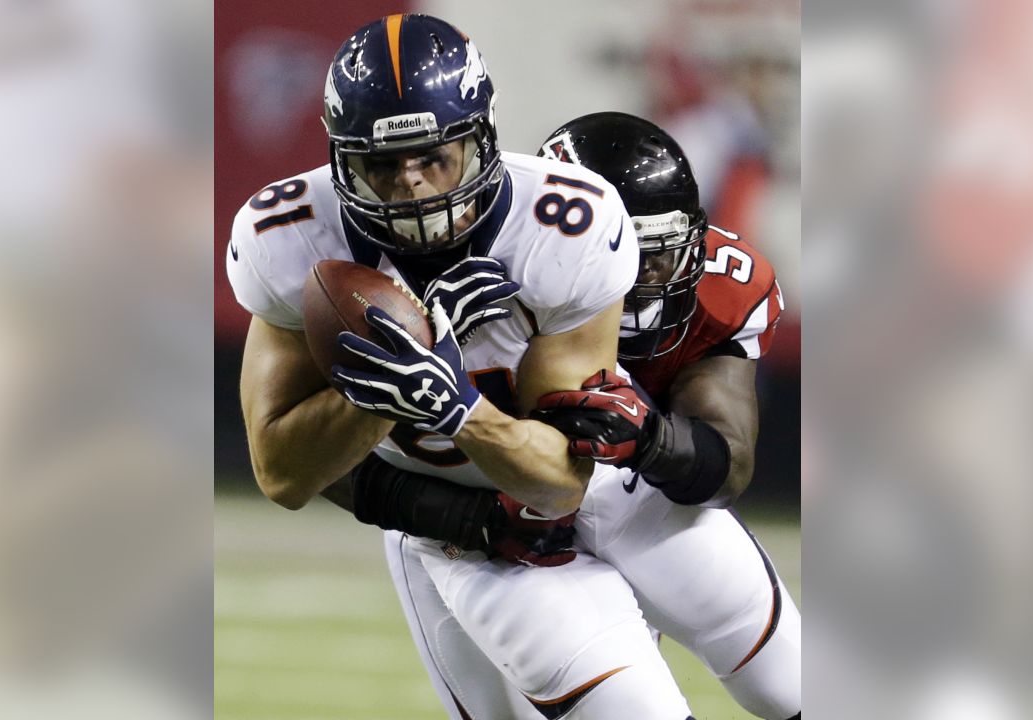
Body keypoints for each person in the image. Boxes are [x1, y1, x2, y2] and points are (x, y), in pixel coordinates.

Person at [226, 14, 697, 720]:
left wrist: (452, 401)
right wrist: (392, 382)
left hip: (597, 500)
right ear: (340, 161)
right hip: (439, 538)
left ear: (483, 139)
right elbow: (282, 473)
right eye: (383, 165)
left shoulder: (562, 227)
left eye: (434, 157)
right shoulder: (288, 236)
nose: (412, 187)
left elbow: (563, 483)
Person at [343, 113, 802, 719]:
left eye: (654, 256)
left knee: (790, 680)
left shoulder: (717, 288)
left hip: (626, 484)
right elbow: (313, 463)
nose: (633, 280)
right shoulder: (468, 277)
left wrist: (654, 440)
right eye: (617, 252)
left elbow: (727, 464)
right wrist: (461, 514)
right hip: (476, 526)